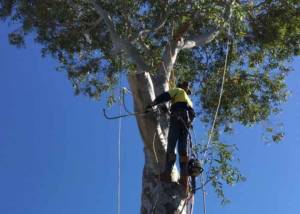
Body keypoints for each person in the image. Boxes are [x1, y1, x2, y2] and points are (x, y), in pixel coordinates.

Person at [147, 81, 195, 192]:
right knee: (183, 150)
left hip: (177, 117)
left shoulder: (178, 90)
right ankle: (184, 180)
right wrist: (168, 112)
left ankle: (167, 174)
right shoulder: (189, 101)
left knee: (171, 146)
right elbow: (191, 114)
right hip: (186, 123)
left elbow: (166, 96)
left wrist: (153, 104)